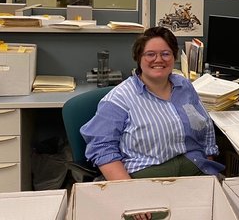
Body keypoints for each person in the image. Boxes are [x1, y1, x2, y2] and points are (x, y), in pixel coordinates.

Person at [80, 26, 225, 181]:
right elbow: (102, 148)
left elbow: (205, 128)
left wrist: (210, 174)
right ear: (138, 58)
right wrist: (128, 189)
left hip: (196, 169)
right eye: (150, 54)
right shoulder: (119, 98)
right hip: (146, 177)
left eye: (165, 54)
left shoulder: (184, 87)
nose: (159, 59)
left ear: (173, 57)